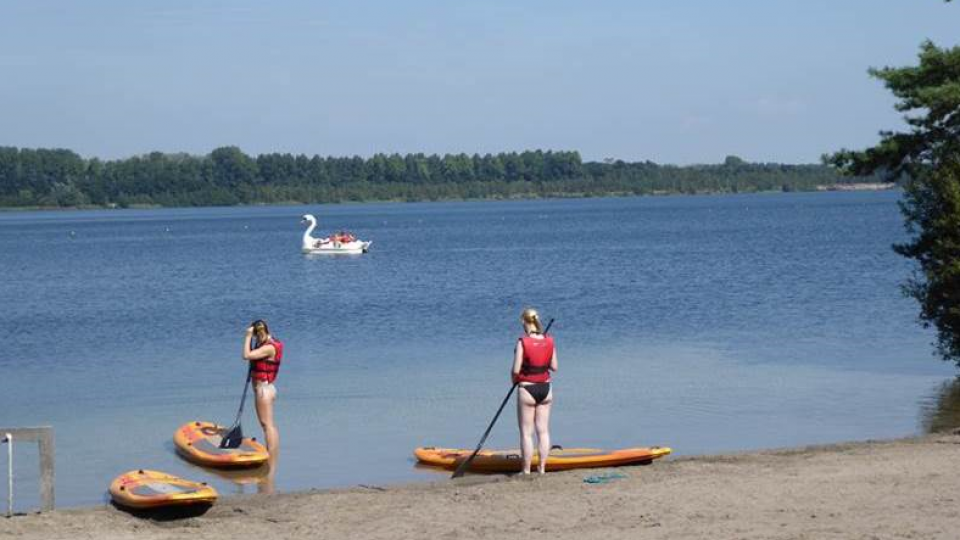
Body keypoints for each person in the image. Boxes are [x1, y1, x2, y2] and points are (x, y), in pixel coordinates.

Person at [511, 308, 557, 475]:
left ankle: (526, 470)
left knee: (526, 433)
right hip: (546, 388)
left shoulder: (522, 342)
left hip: (527, 389)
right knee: (543, 430)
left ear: (524, 322)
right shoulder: (549, 340)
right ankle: (542, 468)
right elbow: (554, 367)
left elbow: (516, 370)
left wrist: (514, 379)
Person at [242, 319, 284, 460]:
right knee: (269, 425)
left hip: (263, 391)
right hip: (268, 388)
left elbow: (246, 355)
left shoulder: (268, 347)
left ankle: (271, 456)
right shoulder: (265, 343)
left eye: (254, 334)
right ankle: (274, 454)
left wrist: (247, 337)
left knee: (267, 425)